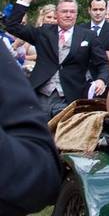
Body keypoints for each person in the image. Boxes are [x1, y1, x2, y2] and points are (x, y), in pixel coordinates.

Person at [5, 0, 108, 117]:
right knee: (37, 135)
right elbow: (12, 26)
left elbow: (103, 64)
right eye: (64, 11)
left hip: (69, 97)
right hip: (40, 95)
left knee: (61, 136)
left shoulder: (88, 36)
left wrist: (101, 80)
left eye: (72, 11)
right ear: (57, 14)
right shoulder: (44, 32)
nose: (68, 15)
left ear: (76, 14)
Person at [0, 45, 61, 216]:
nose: (68, 15)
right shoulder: (44, 33)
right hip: (43, 91)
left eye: (72, 14)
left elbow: (40, 174)